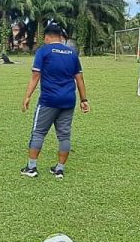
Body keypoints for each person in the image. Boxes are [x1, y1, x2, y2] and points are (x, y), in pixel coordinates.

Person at [20, 22, 90, 179]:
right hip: (69, 100)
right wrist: (84, 100)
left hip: (48, 100)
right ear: (61, 36)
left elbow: (35, 76)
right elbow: (79, 78)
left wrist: (27, 96)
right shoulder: (72, 53)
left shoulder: (43, 51)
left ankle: (31, 168)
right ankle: (59, 169)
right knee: (64, 136)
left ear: (47, 37)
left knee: (38, 132)